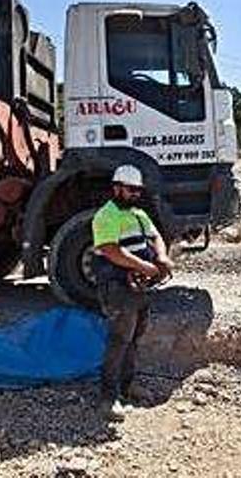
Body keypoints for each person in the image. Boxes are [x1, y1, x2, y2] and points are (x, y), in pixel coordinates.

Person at [91, 164, 172, 421]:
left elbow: (155, 235)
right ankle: (108, 398)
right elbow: (110, 249)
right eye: (130, 189)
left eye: (138, 190)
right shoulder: (106, 216)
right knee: (118, 342)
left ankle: (127, 387)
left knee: (134, 339)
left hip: (139, 286)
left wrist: (161, 257)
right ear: (116, 188)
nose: (136, 194)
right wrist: (146, 266)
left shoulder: (138, 214)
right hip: (118, 288)